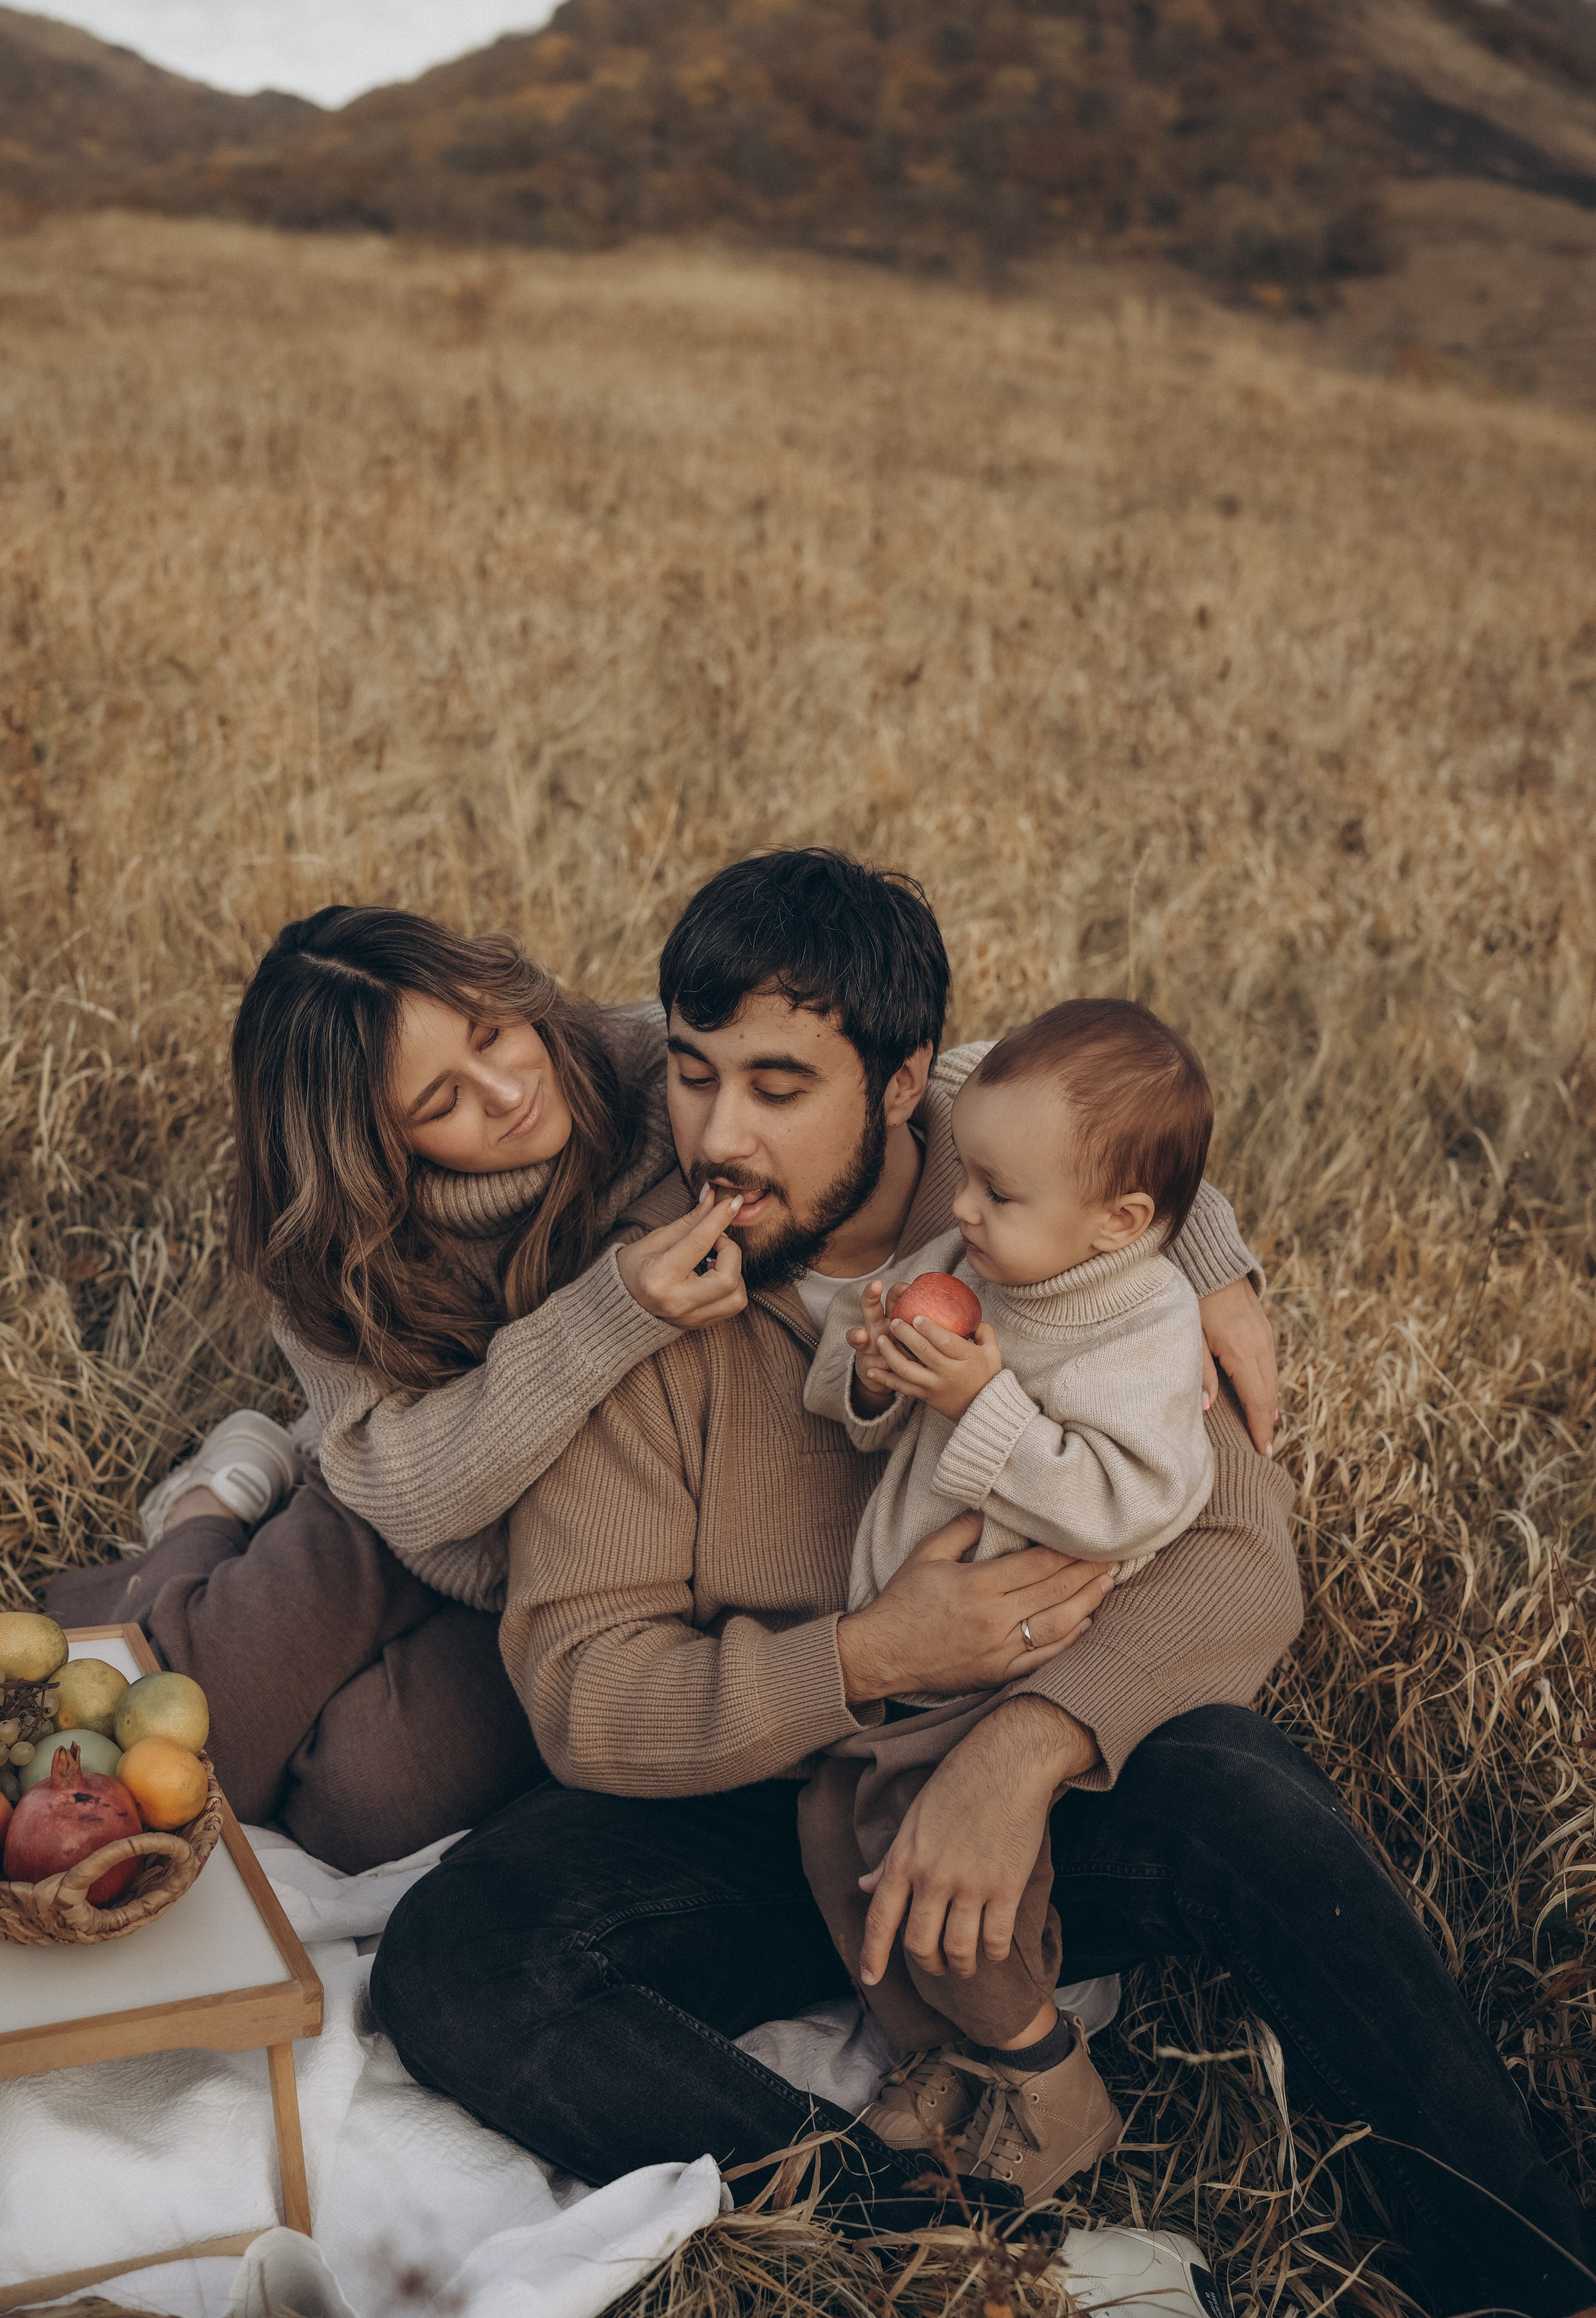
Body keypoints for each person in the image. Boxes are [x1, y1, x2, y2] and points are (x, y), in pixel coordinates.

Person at [369, 851, 1594, 2318]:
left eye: (777, 1087)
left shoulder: (1062, 1256)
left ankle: (1520, 2273)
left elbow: (1232, 1552)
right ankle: (923, 2234)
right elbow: (585, 1692)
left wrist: (1027, 1749)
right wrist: (863, 1655)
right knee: (456, 1961)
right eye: (691, 1077)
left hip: (1028, 1785)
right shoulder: (648, 1302)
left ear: (904, 1090)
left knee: (1247, 1794)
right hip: (775, 1796)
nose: (716, 1134)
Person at [48, 905, 751, 1870]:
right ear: (368, 1147)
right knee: (190, 1739)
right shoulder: (333, 1245)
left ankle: (261, 1510)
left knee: (355, 1808)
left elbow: (866, 1078)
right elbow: (415, 1491)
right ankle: (218, 1495)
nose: (509, 1089)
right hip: (405, 1502)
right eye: (441, 1103)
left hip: (558, 1564)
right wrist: (611, 1307)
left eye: (493, 1030)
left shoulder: (647, 1076)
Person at [795, 998, 1221, 2196]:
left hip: (1007, 1671)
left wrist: (981, 1404)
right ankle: (949, 2061)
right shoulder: (965, 1262)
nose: (961, 1209)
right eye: (965, 1178)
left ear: (1119, 1221)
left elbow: (1131, 1498)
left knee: (943, 1897)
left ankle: (1050, 2079)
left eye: (997, 1191)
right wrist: (873, 1370)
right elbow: (851, 1391)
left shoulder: (1144, 1324)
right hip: (907, 1654)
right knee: (831, 1835)